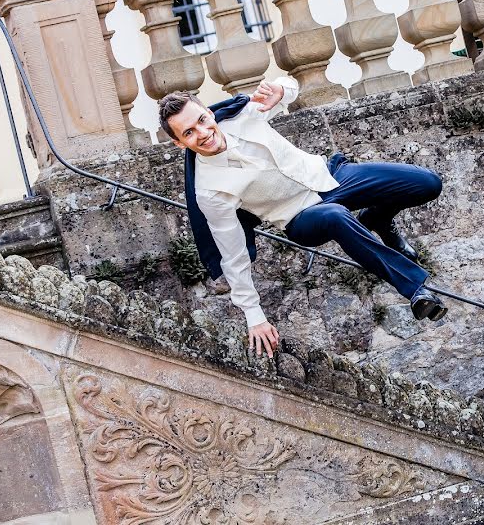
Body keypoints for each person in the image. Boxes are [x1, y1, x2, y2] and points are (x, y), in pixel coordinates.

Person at [158, 77, 446, 359]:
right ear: (179, 144)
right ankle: (416, 291)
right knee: (335, 215)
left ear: (209, 113)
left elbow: (290, 87)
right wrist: (254, 316)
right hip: (300, 217)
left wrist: (280, 89)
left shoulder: (242, 115)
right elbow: (233, 255)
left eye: (201, 121)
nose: (203, 133)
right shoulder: (210, 191)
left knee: (427, 183)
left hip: (329, 177)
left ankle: (380, 220)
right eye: (189, 133)